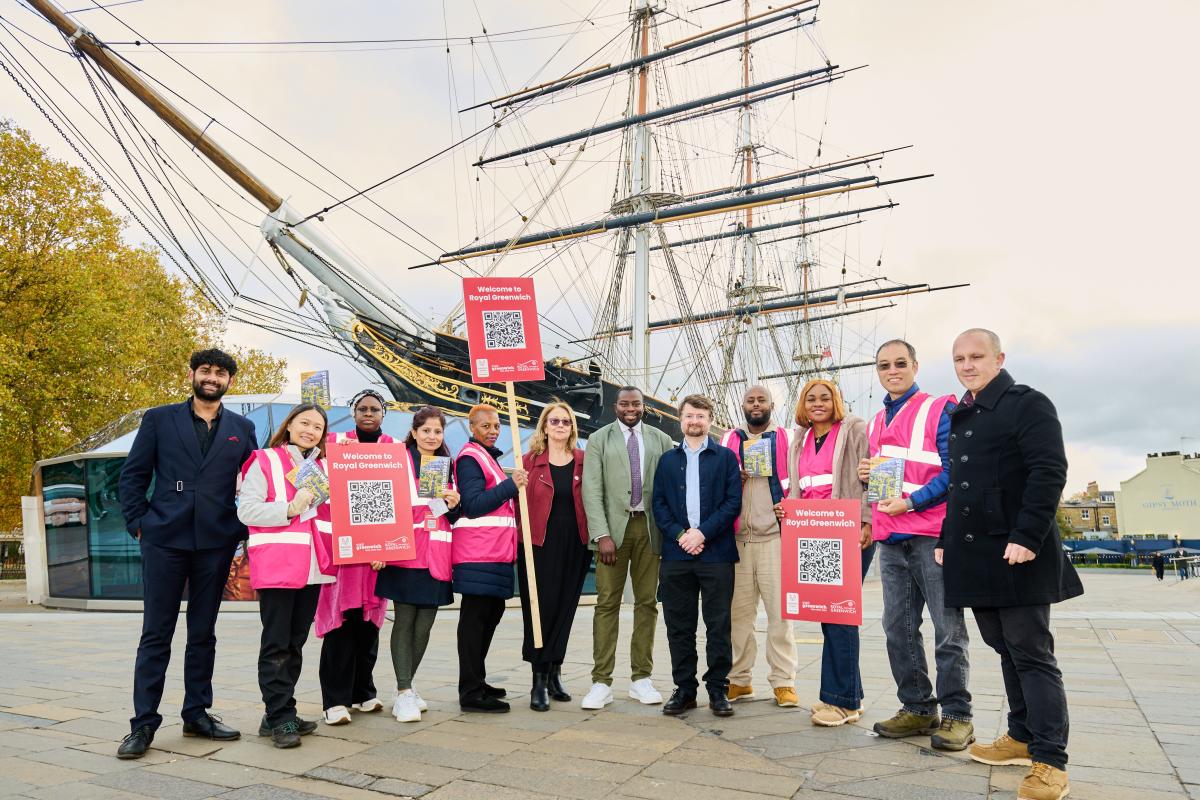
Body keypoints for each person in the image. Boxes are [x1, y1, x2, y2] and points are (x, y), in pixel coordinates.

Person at [940, 328, 1082, 800]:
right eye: (959, 358)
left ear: (999, 357)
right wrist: (945, 538)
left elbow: (1049, 471)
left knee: (1032, 653)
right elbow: (959, 483)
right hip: (975, 554)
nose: (967, 365)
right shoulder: (964, 410)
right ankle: (1021, 735)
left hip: (1017, 551)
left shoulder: (1027, 403)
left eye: (976, 356)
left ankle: (1050, 762)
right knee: (1003, 646)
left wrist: (1027, 536)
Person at [116, 349, 256, 759]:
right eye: (206, 371)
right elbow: (134, 475)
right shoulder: (159, 419)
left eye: (221, 373)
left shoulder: (242, 428)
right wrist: (139, 523)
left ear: (229, 381)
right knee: (156, 634)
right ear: (193, 374)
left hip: (215, 541)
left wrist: (242, 529)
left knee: (203, 634)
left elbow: (255, 481)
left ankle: (197, 714)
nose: (212, 378)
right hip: (164, 538)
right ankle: (143, 725)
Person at [857, 339, 974, 751]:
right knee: (898, 629)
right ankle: (918, 707)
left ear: (915, 365)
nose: (892, 370)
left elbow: (952, 471)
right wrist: (868, 474)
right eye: (884, 365)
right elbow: (889, 475)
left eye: (900, 363)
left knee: (948, 630)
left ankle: (958, 715)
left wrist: (911, 501)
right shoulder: (874, 423)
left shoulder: (937, 408)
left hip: (931, 536)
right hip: (892, 540)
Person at [238, 403, 335, 749]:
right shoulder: (264, 459)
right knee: (277, 643)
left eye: (318, 427)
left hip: (313, 567)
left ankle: (279, 712)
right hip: (279, 564)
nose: (310, 430)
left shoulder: (321, 467)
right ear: (290, 424)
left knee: (295, 643)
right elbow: (246, 509)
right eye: (305, 423)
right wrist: (290, 508)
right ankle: (281, 718)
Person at [786, 379, 876, 726]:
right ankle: (850, 693)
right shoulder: (801, 439)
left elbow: (870, 476)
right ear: (803, 405)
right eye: (811, 399)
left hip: (849, 530)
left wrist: (867, 520)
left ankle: (841, 703)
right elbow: (799, 486)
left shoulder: (854, 430)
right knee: (829, 613)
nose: (818, 403)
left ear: (836, 401)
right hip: (813, 533)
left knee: (841, 613)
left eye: (825, 397)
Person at [579, 386, 673, 709]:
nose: (630, 408)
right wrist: (601, 534)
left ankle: (641, 678)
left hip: (649, 529)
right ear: (615, 406)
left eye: (636, 404)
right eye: (624, 403)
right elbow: (591, 490)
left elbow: (668, 487)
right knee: (607, 603)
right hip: (613, 533)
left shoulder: (660, 440)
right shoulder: (599, 440)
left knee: (647, 603)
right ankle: (601, 681)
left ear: (643, 406)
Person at [651, 394, 742, 717]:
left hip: (716, 553)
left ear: (709, 420)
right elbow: (658, 504)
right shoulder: (666, 461)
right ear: (681, 419)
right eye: (689, 416)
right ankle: (685, 689)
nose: (694, 421)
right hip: (676, 556)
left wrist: (702, 533)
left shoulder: (726, 458)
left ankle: (718, 688)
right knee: (679, 625)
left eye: (701, 416)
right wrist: (680, 535)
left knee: (718, 625)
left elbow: (733, 503)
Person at [373, 405, 458, 722]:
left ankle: (406, 688)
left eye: (437, 431)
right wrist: (379, 545)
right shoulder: (397, 459)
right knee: (406, 619)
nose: (432, 436)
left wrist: (453, 504)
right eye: (426, 431)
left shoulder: (444, 465)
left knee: (425, 624)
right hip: (404, 551)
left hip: (435, 554)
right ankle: (404, 689)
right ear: (414, 432)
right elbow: (382, 500)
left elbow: (449, 515)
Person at [315, 390, 392, 726]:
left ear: (384, 413)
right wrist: (330, 455)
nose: (368, 414)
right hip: (342, 552)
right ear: (353, 411)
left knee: (369, 624)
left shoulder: (392, 448)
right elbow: (308, 472)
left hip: (375, 553)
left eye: (375, 409)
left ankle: (363, 692)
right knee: (340, 624)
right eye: (361, 408)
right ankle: (334, 700)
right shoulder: (333, 443)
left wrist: (388, 547)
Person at [719, 386, 798, 708]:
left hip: (773, 537)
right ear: (742, 405)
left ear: (771, 405)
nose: (756, 405)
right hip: (737, 540)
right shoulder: (728, 439)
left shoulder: (788, 438)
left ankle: (783, 682)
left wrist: (791, 506)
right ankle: (739, 680)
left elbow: (802, 478)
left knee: (781, 616)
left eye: (761, 400)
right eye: (750, 400)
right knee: (738, 617)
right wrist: (731, 478)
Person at [453, 403, 527, 713]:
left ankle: (477, 680)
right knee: (475, 621)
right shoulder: (470, 459)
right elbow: (472, 504)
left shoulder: (488, 459)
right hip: (478, 553)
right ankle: (470, 691)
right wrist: (513, 485)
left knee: (489, 618)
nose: (493, 431)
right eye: (486, 426)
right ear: (473, 428)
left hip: (494, 552)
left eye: (496, 426)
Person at [519, 402, 592, 711]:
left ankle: (555, 673)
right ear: (544, 427)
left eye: (565, 421)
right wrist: (516, 485)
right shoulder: (530, 462)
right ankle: (538, 678)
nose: (560, 425)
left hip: (574, 543)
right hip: (539, 545)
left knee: (565, 608)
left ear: (572, 427)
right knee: (541, 610)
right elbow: (517, 506)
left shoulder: (583, 462)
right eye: (554, 421)